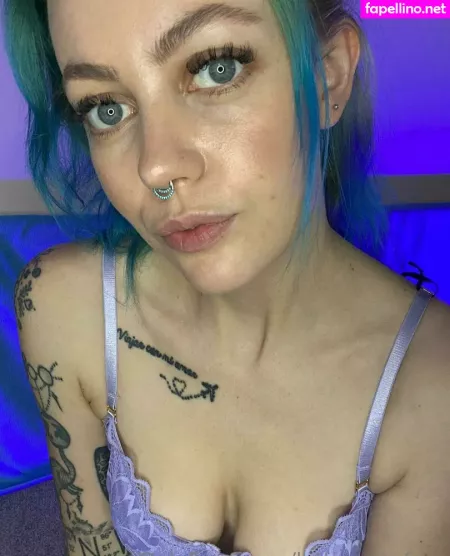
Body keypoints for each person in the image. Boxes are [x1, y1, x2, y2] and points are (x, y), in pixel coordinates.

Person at [5, 0, 450, 554]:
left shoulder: (431, 388)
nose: (156, 168)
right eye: (105, 108)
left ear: (328, 77)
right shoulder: (62, 309)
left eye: (218, 68)